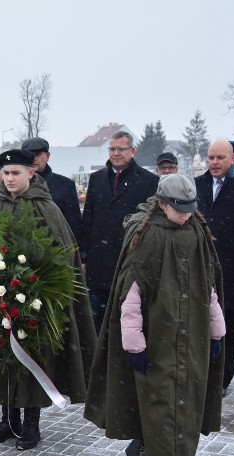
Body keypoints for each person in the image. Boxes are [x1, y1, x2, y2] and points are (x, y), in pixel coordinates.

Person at [84, 174, 225, 456]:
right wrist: (134, 344)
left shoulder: (195, 232)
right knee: (165, 404)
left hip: (189, 337)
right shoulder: (146, 235)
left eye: (191, 209)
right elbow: (130, 294)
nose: (185, 215)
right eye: (179, 209)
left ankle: (142, 449)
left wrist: (215, 330)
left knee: (180, 404)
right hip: (156, 338)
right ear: (162, 203)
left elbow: (207, 286)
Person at [0, 149, 96, 451]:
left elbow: (62, 257)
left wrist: (37, 288)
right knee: (3, 360)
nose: (10, 179)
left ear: (30, 173)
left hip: (35, 301)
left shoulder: (46, 208)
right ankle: (7, 421)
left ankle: (31, 424)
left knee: (34, 360)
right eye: (6, 173)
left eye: (16, 173)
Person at [195, 139, 234, 394]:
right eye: (211, 157)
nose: (214, 162)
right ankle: (203, 374)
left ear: (233, 159)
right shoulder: (198, 185)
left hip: (232, 270)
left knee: (227, 329)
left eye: (220, 157)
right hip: (201, 268)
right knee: (201, 327)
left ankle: (223, 377)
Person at [80, 131, 159, 332]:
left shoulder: (148, 180)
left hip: (129, 257)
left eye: (121, 149)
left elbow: (151, 221)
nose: (116, 153)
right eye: (112, 149)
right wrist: (83, 255)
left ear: (132, 151)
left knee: (126, 318)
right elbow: (88, 217)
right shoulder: (97, 179)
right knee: (97, 318)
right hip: (99, 260)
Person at [21, 137, 82, 242]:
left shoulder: (65, 185)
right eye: (29, 155)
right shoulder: (16, 185)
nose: (33, 159)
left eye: (38, 154)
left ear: (47, 156)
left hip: (56, 249)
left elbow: (74, 225)